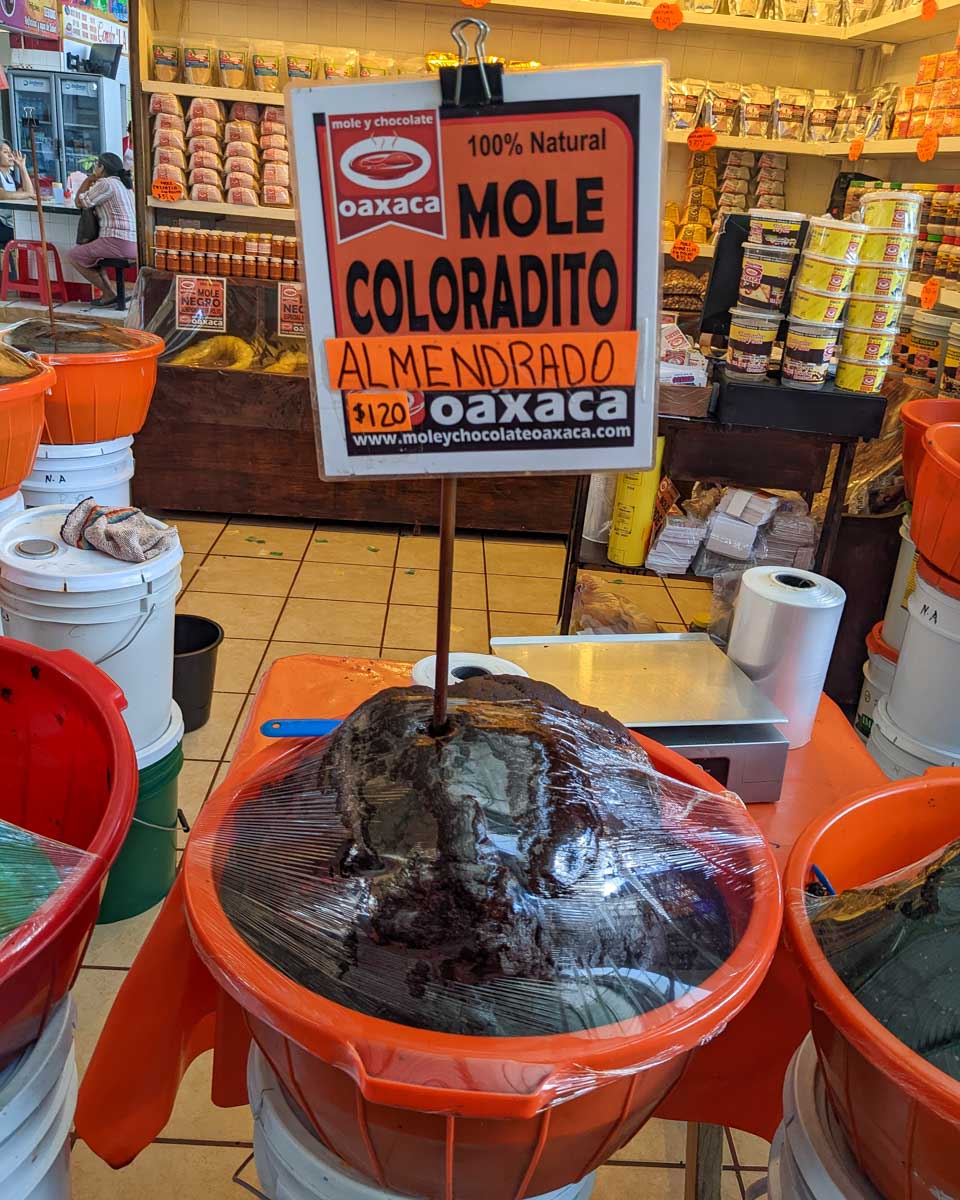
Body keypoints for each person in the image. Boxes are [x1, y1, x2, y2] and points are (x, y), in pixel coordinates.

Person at [67, 151, 136, 307]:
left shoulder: (106, 184)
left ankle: (109, 293)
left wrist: (90, 179)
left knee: (74, 256)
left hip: (117, 241)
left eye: (96, 166)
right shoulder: (124, 185)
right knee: (93, 257)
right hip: (133, 243)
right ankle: (109, 293)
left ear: (102, 167)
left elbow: (80, 201)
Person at [0, 141, 35, 267]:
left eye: (10, 152)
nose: (10, 155)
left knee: (28, 231)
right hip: (1, 225)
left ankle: (19, 275)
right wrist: (28, 195)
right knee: (26, 233)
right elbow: (3, 195)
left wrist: (22, 167)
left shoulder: (9, 177)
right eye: (5, 152)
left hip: (8, 223)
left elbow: (29, 192)